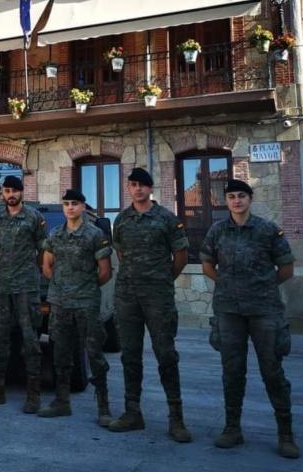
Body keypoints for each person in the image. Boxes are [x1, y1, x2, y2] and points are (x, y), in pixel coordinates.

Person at [202, 179, 299, 459]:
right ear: (226, 201)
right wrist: (228, 285)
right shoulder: (217, 230)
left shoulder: (267, 229)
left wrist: (262, 287)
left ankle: (286, 434)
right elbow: (207, 264)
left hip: (264, 310)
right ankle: (232, 429)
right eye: (231, 196)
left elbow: (287, 267)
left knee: (272, 370)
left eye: (241, 196)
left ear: (250, 198)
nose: (236, 201)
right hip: (229, 311)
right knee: (232, 371)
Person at [107, 168, 192, 443]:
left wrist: (163, 280)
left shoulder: (166, 218)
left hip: (158, 297)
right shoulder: (121, 220)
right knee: (130, 355)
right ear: (128, 188)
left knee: (166, 355)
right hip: (128, 296)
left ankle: (176, 418)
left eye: (142, 185)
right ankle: (133, 413)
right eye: (133, 185)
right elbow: (120, 252)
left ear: (150, 188)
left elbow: (180, 256)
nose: (138, 189)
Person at [38, 189, 114, 425]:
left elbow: (105, 271)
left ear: (83, 207)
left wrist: (84, 288)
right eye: (66, 204)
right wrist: (62, 286)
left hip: (86, 304)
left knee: (95, 355)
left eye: (75, 203)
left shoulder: (94, 234)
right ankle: (62, 402)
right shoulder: (55, 234)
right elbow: (47, 266)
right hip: (60, 304)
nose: (70, 207)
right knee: (60, 353)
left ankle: (104, 408)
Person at [0, 175, 47, 413]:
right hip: (2, 287)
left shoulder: (34, 218)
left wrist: (26, 269)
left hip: (26, 286)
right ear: (3, 194)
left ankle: (33, 394)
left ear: (21, 193)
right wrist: (6, 269)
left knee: (30, 339)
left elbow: (42, 251)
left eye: (14, 191)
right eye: (7, 191)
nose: (10, 194)